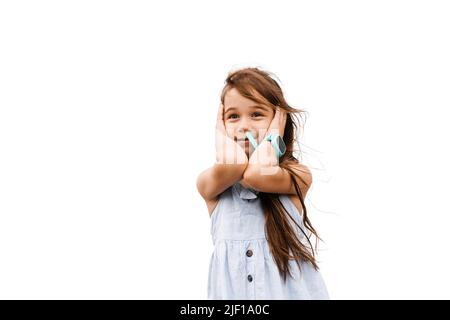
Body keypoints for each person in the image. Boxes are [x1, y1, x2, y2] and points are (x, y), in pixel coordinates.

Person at [196, 67, 329, 299]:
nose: (243, 126)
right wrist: (220, 133)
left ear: (278, 121)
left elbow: (255, 175)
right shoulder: (211, 183)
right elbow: (236, 166)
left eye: (256, 114)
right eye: (233, 116)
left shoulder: (297, 176)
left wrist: (274, 136)